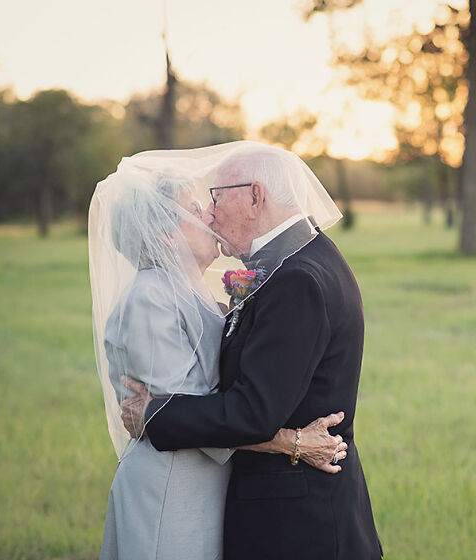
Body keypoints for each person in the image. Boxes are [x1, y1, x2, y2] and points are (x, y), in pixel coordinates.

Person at [121, 142, 383, 559]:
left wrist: (154, 415)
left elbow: (252, 413)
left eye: (218, 196)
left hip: (297, 525)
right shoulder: (296, 260)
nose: (211, 212)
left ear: (255, 196)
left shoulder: (297, 279)